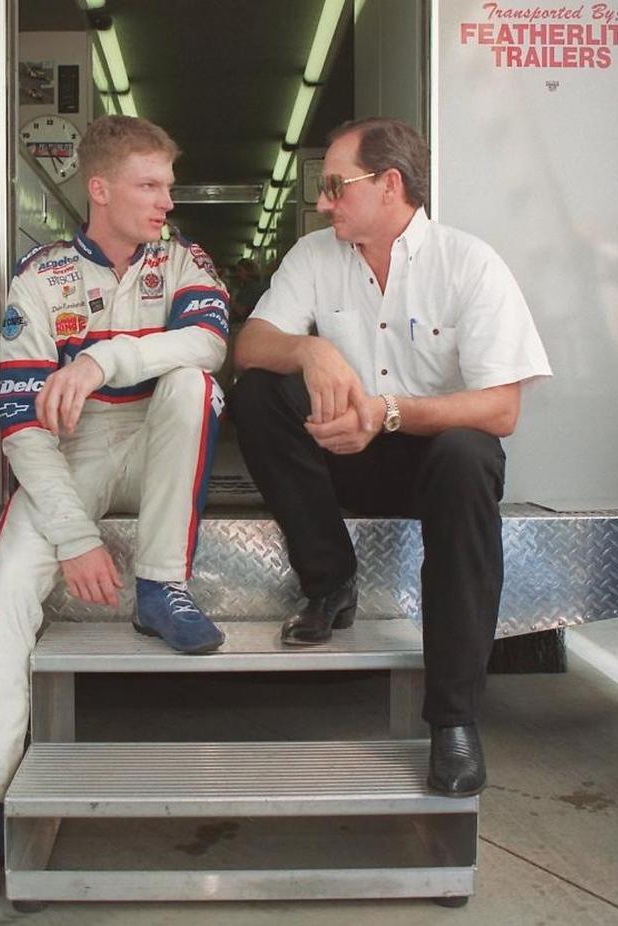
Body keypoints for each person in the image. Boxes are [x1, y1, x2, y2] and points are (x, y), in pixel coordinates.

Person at [0, 115, 230, 908]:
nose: (166, 200)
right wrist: (74, 537)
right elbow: (22, 428)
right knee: (6, 595)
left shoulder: (182, 259)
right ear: (100, 189)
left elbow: (208, 343)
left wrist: (101, 358)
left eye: (167, 184)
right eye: (149, 185)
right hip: (72, 453)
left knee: (193, 388)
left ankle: (160, 586)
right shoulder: (41, 277)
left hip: (157, 437)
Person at [228, 116, 551, 798]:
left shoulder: (469, 263)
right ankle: (330, 582)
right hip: (342, 456)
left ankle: (454, 720)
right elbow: (250, 344)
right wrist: (309, 349)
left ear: (390, 184)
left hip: (433, 468)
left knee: (470, 455)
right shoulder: (315, 257)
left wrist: (389, 412)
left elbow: (502, 410)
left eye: (335, 186)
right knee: (257, 394)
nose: (324, 203)